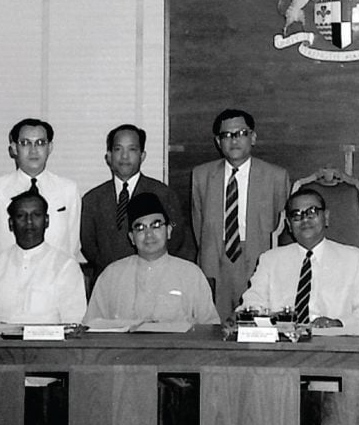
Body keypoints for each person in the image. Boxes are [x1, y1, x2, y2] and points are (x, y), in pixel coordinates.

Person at [191, 109, 290, 320]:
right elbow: (198, 223)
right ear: (218, 141)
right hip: (216, 262)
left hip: (259, 260)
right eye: (226, 135)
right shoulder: (202, 176)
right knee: (214, 328)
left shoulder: (276, 177)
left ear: (253, 137)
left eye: (241, 133)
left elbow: (283, 230)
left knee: (258, 327)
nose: (234, 140)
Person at [239, 189, 359, 329]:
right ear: (289, 224)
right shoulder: (270, 260)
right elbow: (252, 304)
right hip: (282, 345)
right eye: (296, 215)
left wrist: (339, 324)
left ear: (326, 217)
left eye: (312, 212)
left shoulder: (352, 259)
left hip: (335, 345)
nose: (305, 219)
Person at [81, 124, 195, 280]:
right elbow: (88, 245)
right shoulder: (92, 199)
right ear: (108, 156)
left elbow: (176, 230)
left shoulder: (163, 194)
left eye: (132, 149)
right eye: (118, 149)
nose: (125, 156)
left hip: (154, 278)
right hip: (107, 280)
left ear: (142, 156)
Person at [85, 192, 218, 324]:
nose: (149, 234)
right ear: (132, 238)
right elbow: (92, 325)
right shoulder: (112, 275)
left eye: (156, 226)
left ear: (169, 231)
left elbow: (210, 327)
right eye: (141, 228)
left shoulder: (191, 274)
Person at [0, 190, 86, 323]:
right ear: (11, 223)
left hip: (49, 343)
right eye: (21, 216)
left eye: (36, 215)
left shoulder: (66, 267)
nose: (29, 221)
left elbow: (74, 321)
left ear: (47, 221)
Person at [0, 118, 81, 260]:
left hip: (54, 275)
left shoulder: (68, 190)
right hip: (6, 275)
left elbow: (73, 244)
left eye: (40, 143)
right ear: (14, 148)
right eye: (25, 143)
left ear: (50, 148)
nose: (33, 150)